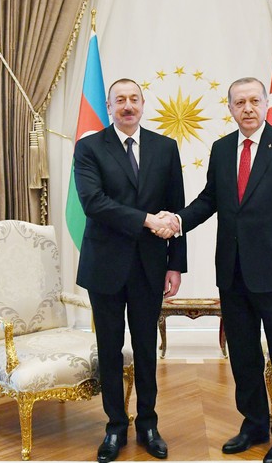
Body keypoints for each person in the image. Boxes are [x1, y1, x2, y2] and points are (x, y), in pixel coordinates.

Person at [171, 77, 272, 463]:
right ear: (230, 109)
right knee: (243, 354)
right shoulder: (221, 149)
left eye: (254, 101)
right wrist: (178, 221)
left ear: (266, 104)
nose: (248, 108)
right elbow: (209, 200)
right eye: (240, 103)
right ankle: (254, 425)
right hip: (233, 271)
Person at [74, 78, 186, 463]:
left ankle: (148, 424)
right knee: (109, 349)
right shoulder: (89, 147)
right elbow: (93, 203)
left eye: (133, 99)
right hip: (104, 265)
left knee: (146, 348)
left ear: (143, 104)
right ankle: (115, 426)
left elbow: (176, 209)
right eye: (119, 100)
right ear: (109, 107)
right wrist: (146, 220)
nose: (127, 106)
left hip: (150, 266)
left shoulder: (165, 147)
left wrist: (176, 264)